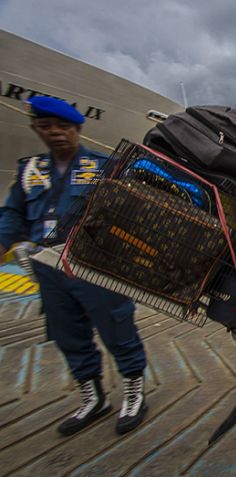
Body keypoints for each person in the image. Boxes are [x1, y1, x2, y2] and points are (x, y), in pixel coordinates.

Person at [0, 97, 148, 436]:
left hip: (92, 263)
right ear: (36, 128)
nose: (56, 133)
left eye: (63, 126)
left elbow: (128, 211)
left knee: (116, 328)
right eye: (46, 126)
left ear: (77, 129)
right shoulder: (30, 171)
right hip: (47, 265)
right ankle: (93, 396)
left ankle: (133, 391)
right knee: (68, 334)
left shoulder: (104, 166)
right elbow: (11, 214)